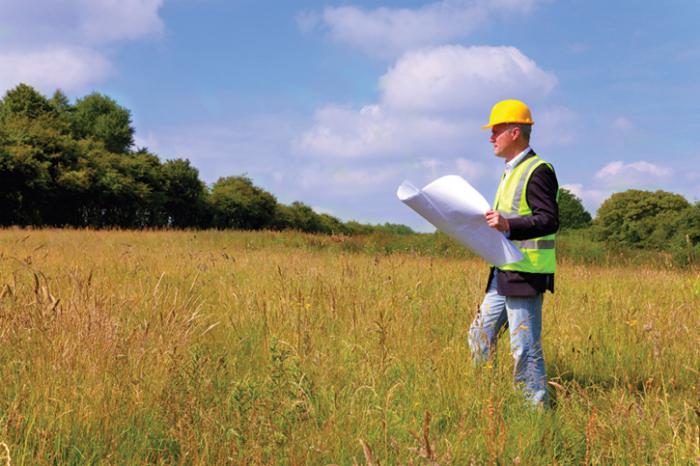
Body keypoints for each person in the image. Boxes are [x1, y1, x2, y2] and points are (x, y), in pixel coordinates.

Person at [468, 99, 559, 406]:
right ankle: (484, 397)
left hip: (526, 272)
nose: (491, 137)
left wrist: (508, 223)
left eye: (496, 130)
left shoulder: (538, 170)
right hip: (503, 270)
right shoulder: (510, 170)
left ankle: (535, 410)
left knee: (525, 346)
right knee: (479, 335)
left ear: (515, 132)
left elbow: (549, 219)